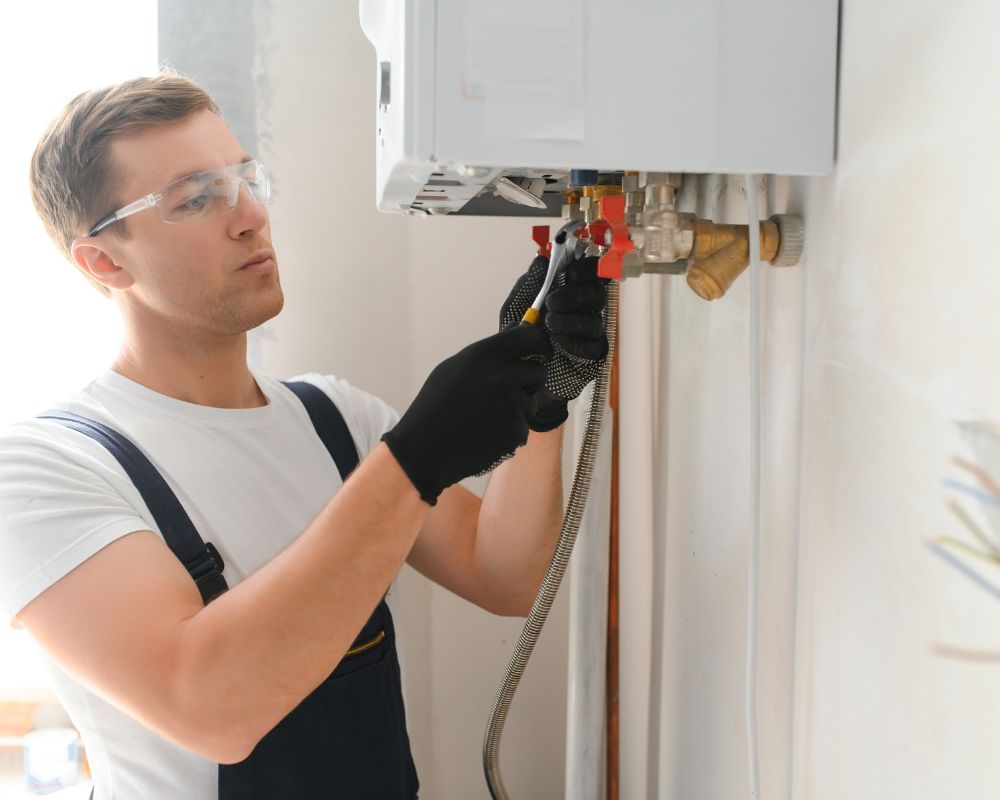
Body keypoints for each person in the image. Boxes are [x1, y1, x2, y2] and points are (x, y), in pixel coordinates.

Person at [0, 74, 607, 799]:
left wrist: (541, 397)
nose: (251, 216)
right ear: (104, 260)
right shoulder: (45, 470)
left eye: (246, 180)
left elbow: (505, 577)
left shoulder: (333, 418)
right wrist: (414, 460)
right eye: (196, 199)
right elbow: (210, 709)